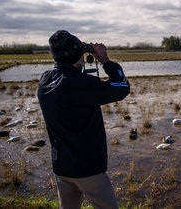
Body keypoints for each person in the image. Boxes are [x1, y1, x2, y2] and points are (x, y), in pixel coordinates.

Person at [37, 30, 130, 209]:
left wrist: (77, 50)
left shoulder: (45, 80)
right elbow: (122, 87)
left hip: (62, 167)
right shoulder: (81, 83)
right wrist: (105, 60)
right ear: (79, 54)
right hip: (88, 169)